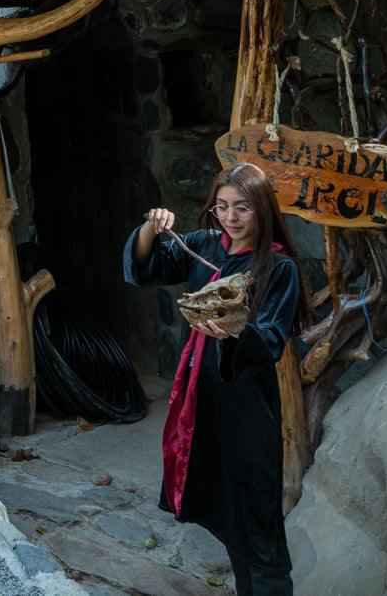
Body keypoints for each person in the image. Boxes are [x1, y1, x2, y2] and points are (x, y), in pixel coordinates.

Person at [123, 163, 300, 596]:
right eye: (222, 207)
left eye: (242, 208)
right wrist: (151, 225)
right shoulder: (204, 246)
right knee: (228, 513)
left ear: (261, 209)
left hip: (247, 408)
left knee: (256, 514)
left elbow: (272, 340)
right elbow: (146, 270)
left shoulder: (278, 267)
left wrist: (236, 329)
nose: (231, 217)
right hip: (202, 403)